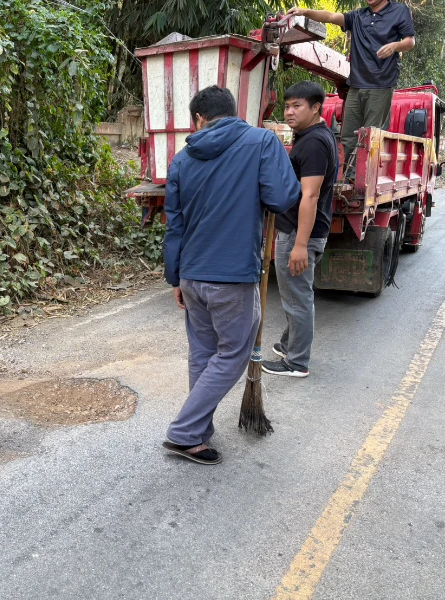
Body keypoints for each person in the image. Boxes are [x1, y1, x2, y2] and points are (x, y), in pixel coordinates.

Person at [163, 86, 300, 465]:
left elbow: (174, 225)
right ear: (233, 112)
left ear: (199, 120)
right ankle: (184, 432)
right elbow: (283, 198)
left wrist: (175, 277)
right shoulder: (261, 142)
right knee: (233, 354)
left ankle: (197, 433)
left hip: (191, 273)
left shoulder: (181, 159)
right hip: (233, 274)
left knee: (203, 353)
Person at [262, 82, 339, 378]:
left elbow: (310, 195)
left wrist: (299, 245)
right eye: (288, 106)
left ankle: (296, 362)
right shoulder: (312, 136)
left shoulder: (314, 143)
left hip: (299, 232)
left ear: (315, 107)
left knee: (297, 297)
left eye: (297, 106)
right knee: (295, 295)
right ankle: (288, 343)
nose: (290, 112)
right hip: (300, 229)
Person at [288, 1, 415, 177]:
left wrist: (395, 46)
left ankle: (365, 179)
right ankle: (351, 177)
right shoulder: (358, 16)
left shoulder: (400, 11)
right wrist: (305, 11)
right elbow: (330, 17)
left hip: (381, 83)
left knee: (370, 136)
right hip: (356, 84)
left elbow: (410, 41)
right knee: (348, 136)